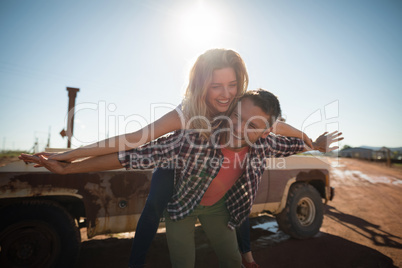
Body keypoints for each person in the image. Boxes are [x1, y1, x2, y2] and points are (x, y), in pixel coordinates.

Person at [27, 49, 312, 268]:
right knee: (155, 205)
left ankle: (245, 255)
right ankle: (135, 262)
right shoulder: (187, 113)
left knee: (241, 193)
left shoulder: (242, 107)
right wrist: (68, 158)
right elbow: (133, 142)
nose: (225, 94)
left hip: (215, 172)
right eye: (216, 85)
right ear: (202, 85)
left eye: (232, 84)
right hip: (178, 158)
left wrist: (308, 138)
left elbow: (275, 125)